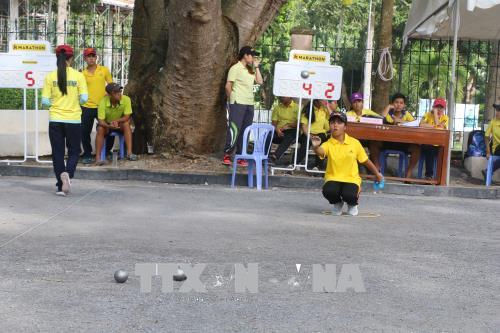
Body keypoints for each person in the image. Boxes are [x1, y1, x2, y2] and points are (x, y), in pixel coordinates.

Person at [312, 112, 384, 216]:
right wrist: (315, 147)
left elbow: (365, 161)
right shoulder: (328, 143)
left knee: (349, 195)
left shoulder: (354, 143)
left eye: (339, 122)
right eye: (332, 122)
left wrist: (377, 174)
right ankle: (337, 203)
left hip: (351, 179)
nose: (335, 125)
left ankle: (352, 204)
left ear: (345, 126)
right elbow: (321, 151)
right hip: (333, 178)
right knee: (328, 191)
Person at [41, 44, 88, 196]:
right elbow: (84, 99)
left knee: (57, 153)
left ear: (57, 57)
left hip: (55, 119)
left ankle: (61, 186)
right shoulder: (79, 76)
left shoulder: (50, 77)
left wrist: (56, 103)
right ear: (71, 58)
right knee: (74, 150)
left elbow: (45, 102)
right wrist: (74, 103)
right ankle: (68, 173)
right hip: (73, 119)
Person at [222, 46, 263, 166]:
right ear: (245, 55)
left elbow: (260, 82)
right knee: (234, 128)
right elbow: (228, 86)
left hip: (249, 103)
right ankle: (227, 154)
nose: (253, 58)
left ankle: (241, 156)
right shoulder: (235, 68)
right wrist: (231, 100)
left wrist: (256, 66)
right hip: (238, 102)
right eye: (252, 55)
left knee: (245, 130)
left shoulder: (250, 70)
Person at [369, 93, 421, 177]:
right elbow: (380, 119)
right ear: (392, 103)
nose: (399, 105)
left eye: (401, 103)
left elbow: (415, 124)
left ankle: (408, 172)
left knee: (417, 148)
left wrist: (400, 121)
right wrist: (388, 107)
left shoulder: (406, 114)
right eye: (396, 102)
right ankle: (377, 167)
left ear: (404, 105)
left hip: (403, 143)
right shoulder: (388, 112)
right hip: (387, 141)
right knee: (373, 143)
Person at [81, 47, 113, 164]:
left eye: (93, 56)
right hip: (87, 106)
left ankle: (107, 151)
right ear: (85, 59)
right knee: (84, 132)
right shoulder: (82, 73)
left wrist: (106, 94)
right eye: (88, 56)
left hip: (102, 106)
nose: (91, 58)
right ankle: (87, 154)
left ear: (96, 57)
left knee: (107, 129)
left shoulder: (104, 70)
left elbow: (111, 85)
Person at [95, 83, 137, 165]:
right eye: (115, 92)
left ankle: (129, 153)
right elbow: (101, 121)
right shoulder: (103, 102)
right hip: (106, 125)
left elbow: (127, 116)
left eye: (120, 91)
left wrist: (117, 121)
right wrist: (109, 125)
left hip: (119, 123)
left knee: (126, 124)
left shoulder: (126, 99)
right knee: (100, 128)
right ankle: (98, 158)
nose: (119, 94)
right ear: (109, 94)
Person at [419, 98, 449, 179]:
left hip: (438, 144)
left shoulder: (445, 118)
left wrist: (435, 116)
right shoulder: (427, 114)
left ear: (444, 108)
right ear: (433, 107)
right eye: (437, 107)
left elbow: (440, 128)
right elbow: (421, 124)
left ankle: (440, 177)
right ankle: (428, 176)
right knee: (429, 148)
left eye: (441, 107)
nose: (439, 109)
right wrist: (435, 126)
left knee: (441, 151)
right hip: (426, 143)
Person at [297, 99, 330, 170]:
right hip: (308, 133)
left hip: (321, 133)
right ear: (316, 100)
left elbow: (332, 116)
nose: (324, 100)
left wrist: (327, 106)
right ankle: (295, 163)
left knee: (320, 144)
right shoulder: (307, 109)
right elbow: (304, 126)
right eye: (322, 99)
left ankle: (317, 166)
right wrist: (309, 136)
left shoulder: (324, 110)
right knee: (305, 143)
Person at [268, 96, 299, 165]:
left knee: (290, 135)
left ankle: (274, 157)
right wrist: (277, 130)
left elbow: (299, 123)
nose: (281, 97)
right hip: (278, 130)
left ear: (290, 96)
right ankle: (264, 156)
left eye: (284, 96)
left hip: (291, 130)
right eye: (281, 96)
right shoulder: (277, 107)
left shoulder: (297, 107)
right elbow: (274, 123)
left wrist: (288, 125)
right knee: (268, 135)